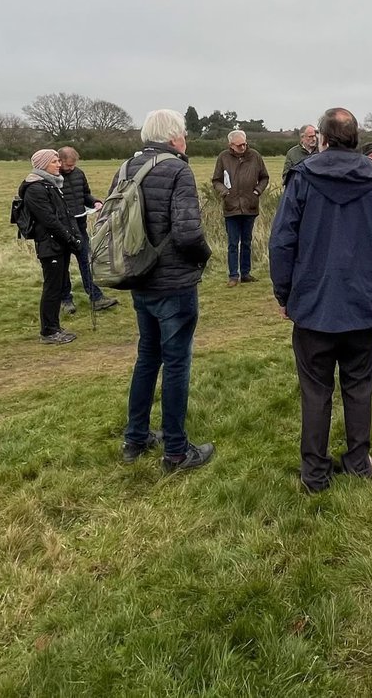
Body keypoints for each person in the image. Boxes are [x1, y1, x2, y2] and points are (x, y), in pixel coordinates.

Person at [270, 108, 372, 493]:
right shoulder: (366, 180)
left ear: (323, 139)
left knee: (316, 391)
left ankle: (317, 470)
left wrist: (284, 293)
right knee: (358, 386)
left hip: (317, 303)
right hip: (358, 302)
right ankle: (355, 462)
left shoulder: (311, 178)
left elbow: (281, 242)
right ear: (354, 138)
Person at [116, 110, 215, 473]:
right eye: (184, 134)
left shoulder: (126, 168)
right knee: (176, 363)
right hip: (173, 283)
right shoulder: (177, 170)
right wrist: (204, 257)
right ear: (175, 137)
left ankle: (136, 437)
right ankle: (176, 451)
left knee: (147, 357)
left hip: (138, 277)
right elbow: (188, 233)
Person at [21, 149, 83, 345]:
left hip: (59, 244)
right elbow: (49, 220)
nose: (59, 164)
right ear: (43, 164)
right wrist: (70, 239)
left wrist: (75, 237)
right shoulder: (35, 188)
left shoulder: (51, 184)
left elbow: (65, 215)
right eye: (54, 161)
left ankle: (54, 327)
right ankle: (48, 331)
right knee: (52, 288)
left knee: (58, 286)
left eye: (58, 161)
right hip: (50, 245)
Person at [56, 146, 118, 313]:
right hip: (62, 230)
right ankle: (65, 300)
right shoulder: (52, 177)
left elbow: (85, 195)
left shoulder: (79, 174)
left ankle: (96, 297)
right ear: (60, 161)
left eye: (74, 164)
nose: (72, 168)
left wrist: (95, 202)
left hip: (80, 227)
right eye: (69, 165)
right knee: (63, 266)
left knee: (86, 261)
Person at [211, 130, 270, 286]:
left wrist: (257, 191)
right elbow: (216, 180)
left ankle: (245, 273)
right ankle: (233, 275)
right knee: (232, 243)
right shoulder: (223, 157)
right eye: (239, 145)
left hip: (250, 206)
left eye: (244, 144)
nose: (243, 147)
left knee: (246, 242)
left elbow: (264, 177)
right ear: (231, 145)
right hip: (231, 207)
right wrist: (224, 192)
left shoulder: (255, 156)